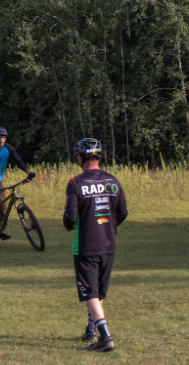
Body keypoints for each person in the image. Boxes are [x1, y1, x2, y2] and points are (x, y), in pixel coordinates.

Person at [63, 138, 128, 352]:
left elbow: (70, 217)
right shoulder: (113, 181)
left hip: (85, 245)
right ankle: (91, 328)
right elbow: (122, 212)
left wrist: (69, 224)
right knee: (98, 291)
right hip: (108, 243)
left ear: (80, 158)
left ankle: (105, 336)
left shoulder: (76, 183)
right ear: (99, 156)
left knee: (90, 292)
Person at [0, 127, 36, 240]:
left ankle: (2, 231)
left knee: (3, 207)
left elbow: (19, 161)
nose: (1, 140)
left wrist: (29, 172)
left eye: (3, 137)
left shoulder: (8, 148)